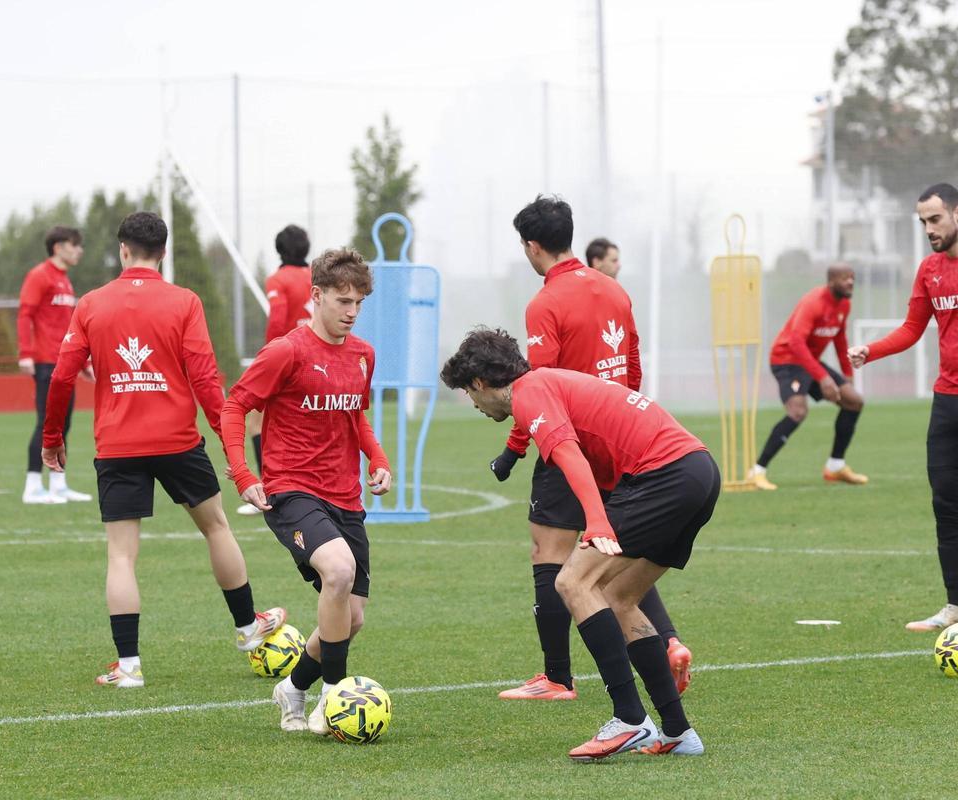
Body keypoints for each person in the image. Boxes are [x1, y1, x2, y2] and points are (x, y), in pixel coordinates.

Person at [442, 327, 718, 759]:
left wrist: (596, 522)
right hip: (698, 471)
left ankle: (630, 719)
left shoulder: (530, 392)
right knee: (621, 596)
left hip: (665, 475)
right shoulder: (548, 383)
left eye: (469, 395)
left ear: (479, 384)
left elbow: (568, 453)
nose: (475, 406)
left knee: (573, 582)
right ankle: (678, 731)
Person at [41, 211, 285, 688]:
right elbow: (205, 378)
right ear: (165, 253)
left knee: (121, 557)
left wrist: (53, 440)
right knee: (216, 528)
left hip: (117, 446)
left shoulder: (91, 303)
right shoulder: (184, 302)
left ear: (122, 250)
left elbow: (62, 377)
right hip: (178, 441)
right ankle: (247, 629)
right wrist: (227, 435)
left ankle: (129, 667)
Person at [489, 195, 692, 701]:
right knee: (615, 552)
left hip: (568, 437)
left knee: (549, 552)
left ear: (532, 246)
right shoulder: (612, 289)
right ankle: (666, 642)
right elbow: (634, 361)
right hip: (618, 441)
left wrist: (515, 449)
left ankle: (556, 677)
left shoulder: (545, 303)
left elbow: (536, 383)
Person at [221, 247, 392, 735]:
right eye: (343, 301)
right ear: (316, 296)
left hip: (346, 497)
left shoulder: (363, 355)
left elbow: (355, 416)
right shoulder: (286, 352)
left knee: (351, 617)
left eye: (359, 302)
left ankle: (292, 688)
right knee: (338, 571)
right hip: (291, 490)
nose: (352, 312)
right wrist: (245, 476)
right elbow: (235, 408)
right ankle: (334, 699)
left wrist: (377, 461)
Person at [849, 182, 958, 632]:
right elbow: (912, 330)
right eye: (922, 223)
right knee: (947, 503)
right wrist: (869, 351)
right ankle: (955, 606)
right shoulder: (930, 270)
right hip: (947, 401)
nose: (928, 230)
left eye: (935, 219)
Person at [748, 265, 867, 490]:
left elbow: (840, 338)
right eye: (845, 279)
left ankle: (835, 466)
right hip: (787, 359)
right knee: (798, 411)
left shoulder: (844, 304)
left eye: (852, 277)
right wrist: (823, 378)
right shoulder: (813, 302)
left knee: (854, 401)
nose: (851, 282)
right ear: (831, 281)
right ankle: (757, 471)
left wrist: (847, 374)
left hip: (808, 360)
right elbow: (795, 342)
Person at [237, 224, 314, 517]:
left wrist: (270, 355)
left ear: (279, 250)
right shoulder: (316, 277)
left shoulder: (278, 279)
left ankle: (267, 491)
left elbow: (278, 318)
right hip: (318, 356)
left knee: (256, 423)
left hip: (288, 357)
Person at [18, 226, 94, 504]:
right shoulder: (39, 276)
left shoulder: (64, 280)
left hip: (64, 362)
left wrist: (82, 360)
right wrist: (26, 353)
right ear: (58, 247)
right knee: (46, 423)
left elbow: (67, 328)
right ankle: (33, 485)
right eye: (75, 245)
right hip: (46, 362)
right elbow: (25, 314)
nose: (79, 250)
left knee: (64, 425)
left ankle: (58, 484)